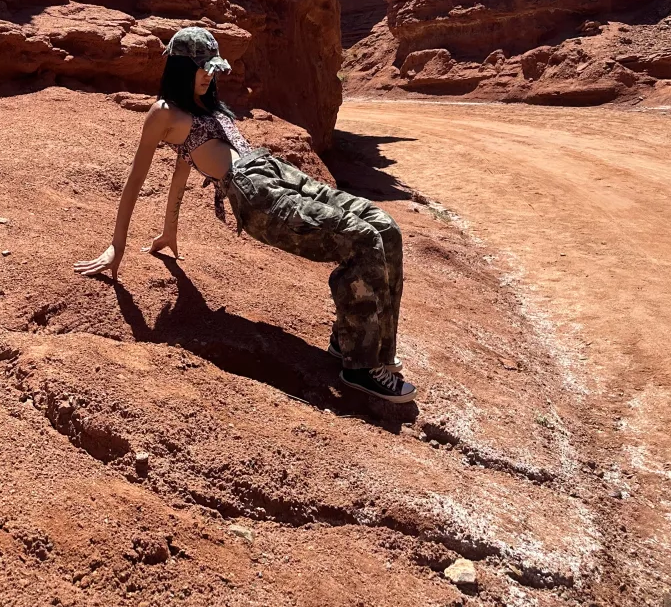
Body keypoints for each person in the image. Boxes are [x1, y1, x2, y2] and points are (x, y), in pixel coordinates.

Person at [74, 26, 416, 405]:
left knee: (386, 228)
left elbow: (182, 167)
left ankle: (357, 342)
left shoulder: (205, 105)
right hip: (256, 198)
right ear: (179, 68)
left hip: (276, 172)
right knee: (362, 239)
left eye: (211, 68)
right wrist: (115, 246)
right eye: (200, 68)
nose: (208, 75)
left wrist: (169, 230)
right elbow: (136, 179)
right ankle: (361, 368)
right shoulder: (163, 112)